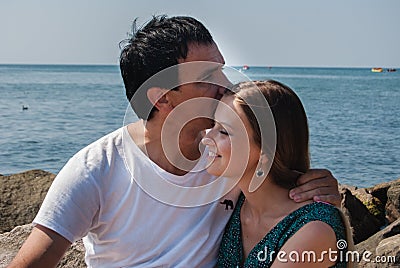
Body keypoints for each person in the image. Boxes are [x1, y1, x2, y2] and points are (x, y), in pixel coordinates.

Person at [9, 16, 341, 267]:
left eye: (223, 70)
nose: (227, 85)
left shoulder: (226, 158)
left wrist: (318, 186)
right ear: (164, 97)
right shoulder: (96, 169)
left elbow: (279, 180)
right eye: (210, 76)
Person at [201, 80, 354, 267]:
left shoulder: (314, 229)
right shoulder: (236, 203)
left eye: (224, 131)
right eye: (213, 125)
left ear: (266, 153)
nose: (207, 138)